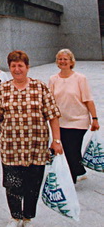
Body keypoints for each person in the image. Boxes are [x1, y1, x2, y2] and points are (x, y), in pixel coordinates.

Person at [0, 50, 63, 227]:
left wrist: (57, 140)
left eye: (20, 65)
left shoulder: (40, 87)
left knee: (32, 185)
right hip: (11, 147)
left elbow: (52, 116)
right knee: (12, 184)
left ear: (27, 67)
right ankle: (15, 217)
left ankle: (28, 217)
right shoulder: (3, 89)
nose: (17, 69)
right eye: (13, 66)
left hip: (36, 147)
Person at [48, 48, 100, 183]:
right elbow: (49, 101)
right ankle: (79, 170)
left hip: (79, 121)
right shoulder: (53, 79)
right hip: (60, 122)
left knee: (72, 149)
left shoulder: (80, 78)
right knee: (66, 149)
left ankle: (70, 181)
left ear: (71, 62)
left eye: (65, 59)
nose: (62, 61)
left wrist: (94, 118)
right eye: (60, 59)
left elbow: (88, 99)